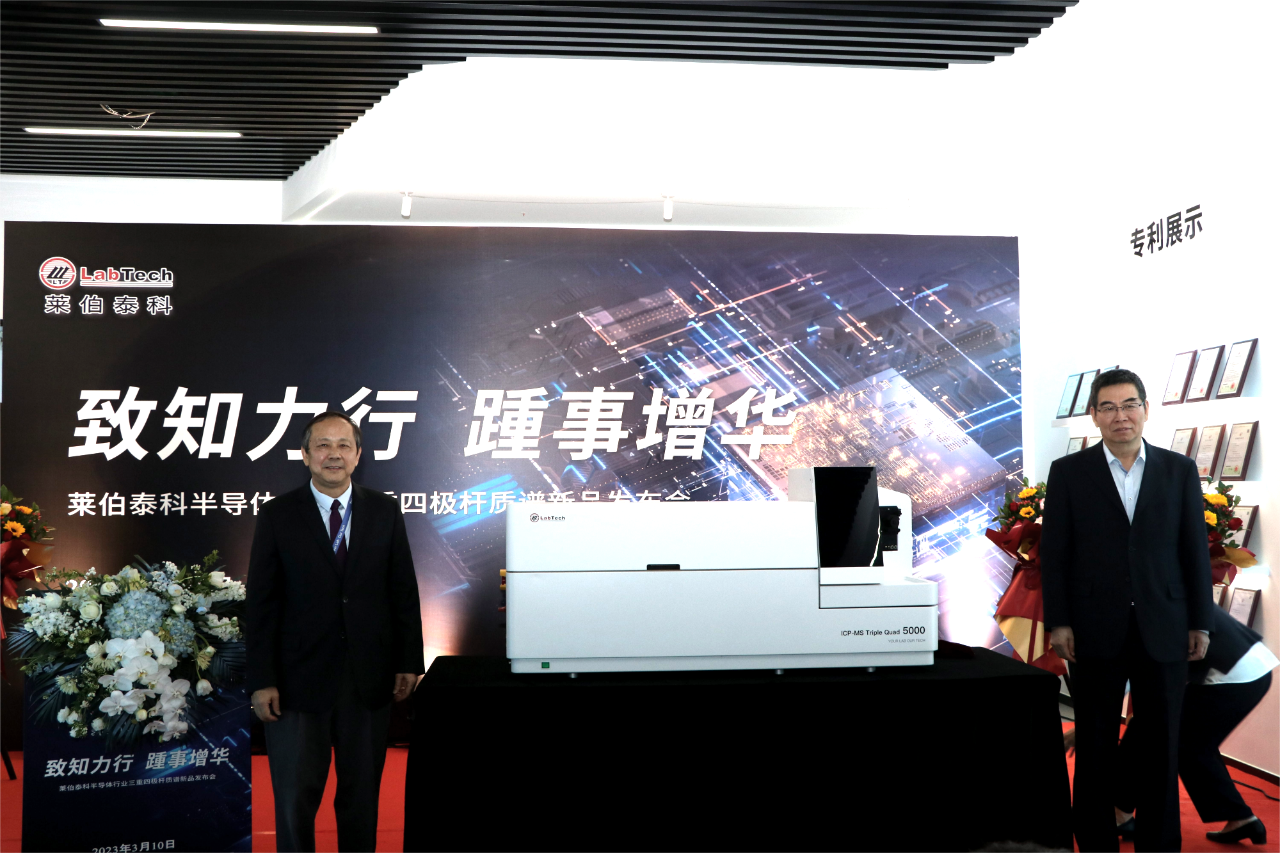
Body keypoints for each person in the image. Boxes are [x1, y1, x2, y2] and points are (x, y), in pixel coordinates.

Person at [1042, 368, 1214, 853]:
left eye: (1130, 404)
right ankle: (1096, 843)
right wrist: (1059, 621)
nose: (1121, 416)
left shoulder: (1179, 470)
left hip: (1165, 626)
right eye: (1110, 407)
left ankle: (1160, 845)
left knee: (1161, 747)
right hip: (1093, 628)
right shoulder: (1069, 473)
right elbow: (1055, 554)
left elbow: (1194, 553)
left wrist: (1200, 622)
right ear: (1094, 415)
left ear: (1145, 409)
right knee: (1095, 743)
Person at [245, 411, 425, 853]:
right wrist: (262, 679)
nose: (334, 454)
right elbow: (262, 603)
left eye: (344, 445)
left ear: (358, 455)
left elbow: (402, 589)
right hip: (296, 680)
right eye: (323, 445)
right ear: (305, 455)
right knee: (295, 799)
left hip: (367, 677)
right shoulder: (278, 514)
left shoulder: (384, 510)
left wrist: (408, 660)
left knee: (361, 798)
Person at [1114, 605, 1275, 844]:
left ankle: (1120, 813)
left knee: (1159, 736)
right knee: (1191, 747)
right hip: (1252, 670)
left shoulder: (1142, 609)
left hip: (1233, 677)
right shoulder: (1159, 596)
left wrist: (1096, 723)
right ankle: (1241, 819)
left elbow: (1134, 672)